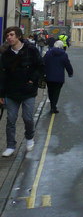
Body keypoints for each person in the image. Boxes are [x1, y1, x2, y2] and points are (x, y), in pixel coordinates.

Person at [0, 26, 44, 157]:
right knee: (11, 119)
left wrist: (32, 80)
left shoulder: (31, 50)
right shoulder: (5, 54)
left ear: (18, 36)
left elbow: (40, 66)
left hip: (28, 92)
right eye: (7, 35)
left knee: (27, 118)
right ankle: (10, 145)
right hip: (11, 92)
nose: (9, 37)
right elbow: (2, 75)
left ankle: (29, 137)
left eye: (12, 35)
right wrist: (1, 94)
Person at [43, 40, 73, 114]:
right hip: (59, 77)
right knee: (56, 92)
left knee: (50, 91)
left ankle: (52, 106)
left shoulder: (48, 53)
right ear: (61, 46)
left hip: (49, 76)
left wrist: (42, 73)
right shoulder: (64, 54)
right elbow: (67, 64)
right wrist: (70, 73)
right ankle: (54, 106)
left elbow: (43, 63)